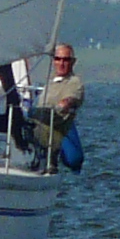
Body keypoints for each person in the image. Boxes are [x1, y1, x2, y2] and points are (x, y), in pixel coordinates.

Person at [36, 42, 86, 170]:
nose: (61, 63)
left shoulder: (75, 83)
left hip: (55, 127)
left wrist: (66, 103)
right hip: (38, 121)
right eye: (58, 59)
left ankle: (48, 164)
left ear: (73, 62)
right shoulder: (50, 81)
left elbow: (74, 97)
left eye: (66, 60)